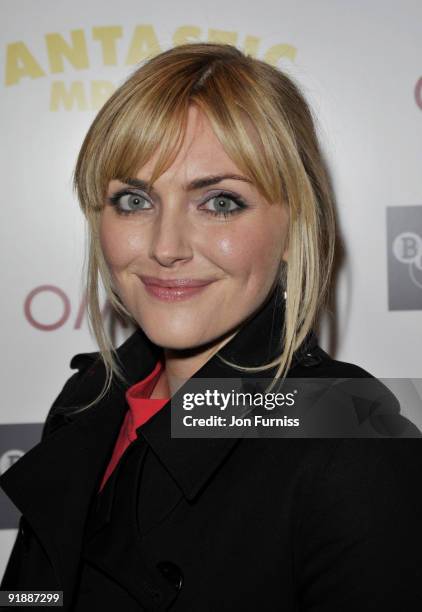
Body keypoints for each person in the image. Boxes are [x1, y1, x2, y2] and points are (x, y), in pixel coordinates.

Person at [1, 42, 421, 612]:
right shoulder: (89, 399)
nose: (165, 247)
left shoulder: (350, 439)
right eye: (133, 200)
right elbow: (37, 592)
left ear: (296, 221)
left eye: (220, 202)